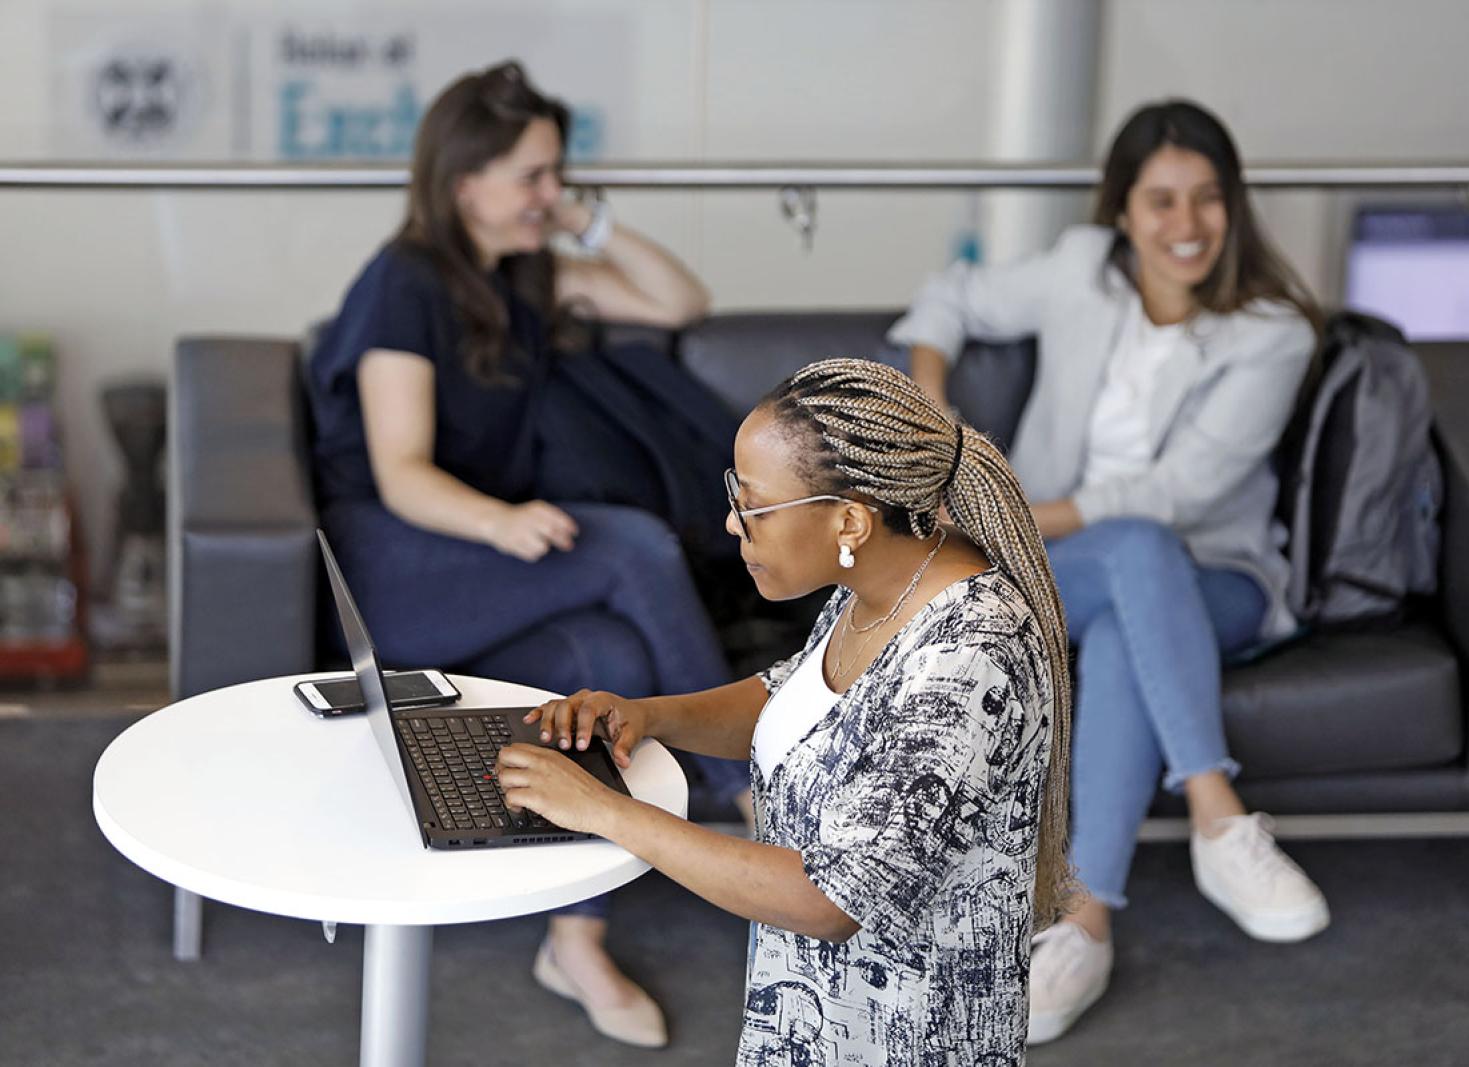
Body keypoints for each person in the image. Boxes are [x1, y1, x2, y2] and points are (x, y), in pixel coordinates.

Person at [305, 60, 750, 1049]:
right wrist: (501, 522)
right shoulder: (403, 283)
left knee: (616, 667)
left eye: (558, 174)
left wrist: (584, 225)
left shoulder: (518, 278)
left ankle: (575, 940)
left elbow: (681, 299)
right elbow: (400, 470)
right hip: (397, 566)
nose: (552, 194)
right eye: (536, 177)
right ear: (466, 179)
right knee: (629, 546)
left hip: (478, 564)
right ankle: (749, 789)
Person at [889, 98, 1330, 1043]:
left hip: (1220, 574)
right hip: (1075, 565)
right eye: (1162, 201)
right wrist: (933, 415)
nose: (1188, 226)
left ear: (1234, 207)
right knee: (1126, 584)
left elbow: (1173, 491)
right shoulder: (1081, 271)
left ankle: (1087, 918)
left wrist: (997, 518)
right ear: (1122, 210)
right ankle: (1210, 832)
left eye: (1208, 200)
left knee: (1140, 563)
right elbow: (949, 296)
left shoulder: (1274, 332)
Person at [495, 358, 1073, 1064]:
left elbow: (829, 899)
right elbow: (799, 700)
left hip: (899, 1039)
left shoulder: (970, 653)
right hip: (817, 1016)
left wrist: (605, 811)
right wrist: (649, 716)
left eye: (754, 505)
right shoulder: (882, 577)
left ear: (850, 520)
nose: (732, 523)